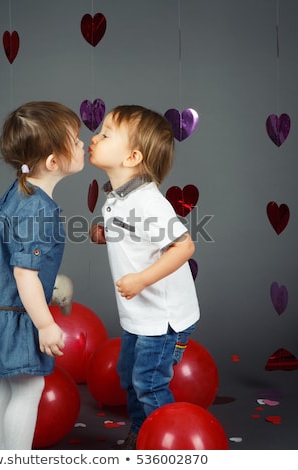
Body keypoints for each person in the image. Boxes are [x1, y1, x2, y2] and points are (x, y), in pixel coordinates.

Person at [0, 101, 85, 450]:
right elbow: (25, 273)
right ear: (53, 162)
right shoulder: (39, 210)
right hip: (17, 315)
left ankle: (1, 455)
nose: (83, 143)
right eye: (75, 139)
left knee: (9, 386)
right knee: (30, 388)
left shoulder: (19, 191)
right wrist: (44, 324)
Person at [89, 105, 200, 449]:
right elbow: (134, 233)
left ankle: (167, 444)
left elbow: (184, 247)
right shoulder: (119, 195)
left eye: (106, 134)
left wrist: (140, 280)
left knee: (149, 383)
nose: (94, 137)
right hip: (139, 315)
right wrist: (105, 234)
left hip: (163, 317)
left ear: (132, 157)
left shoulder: (148, 202)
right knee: (129, 376)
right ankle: (143, 430)